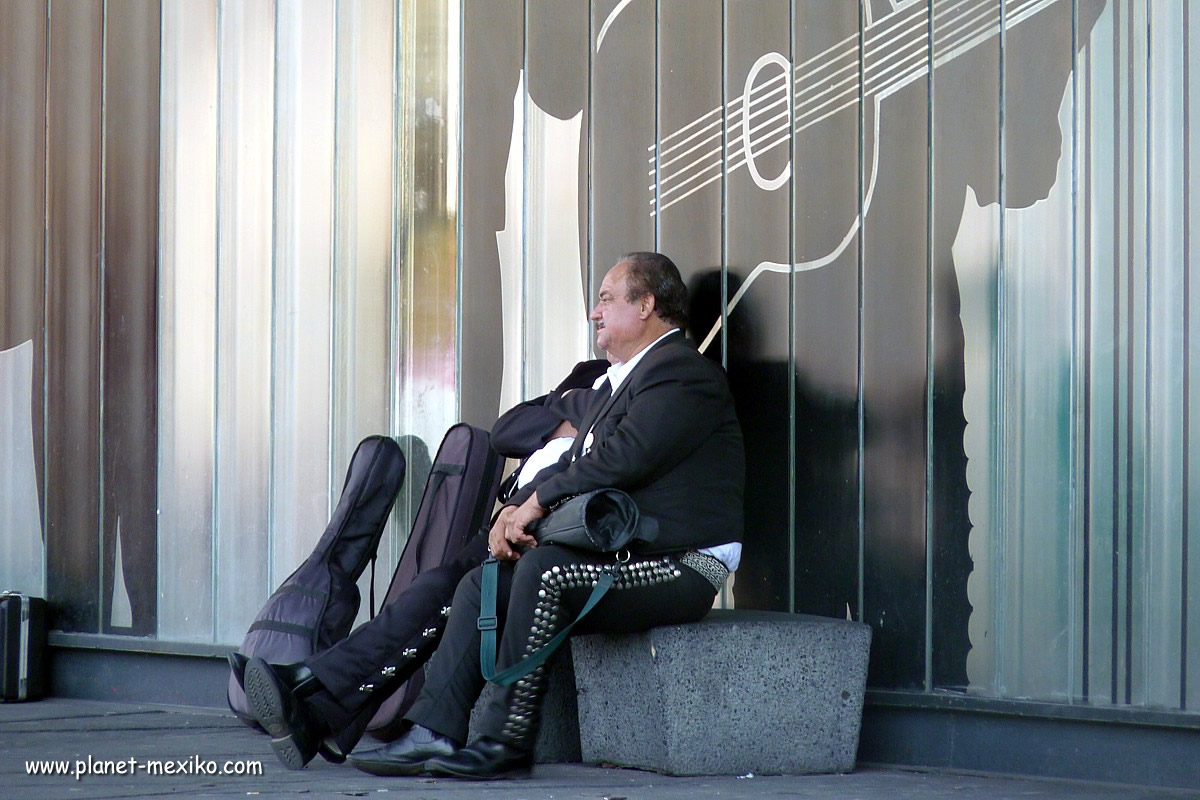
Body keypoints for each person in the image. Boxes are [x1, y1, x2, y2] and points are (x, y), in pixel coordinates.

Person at [244, 251, 745, 779]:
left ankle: (503, 743)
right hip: (620, 549)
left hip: (681, 564)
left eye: (605, 299)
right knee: (480, 582)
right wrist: (518, 509)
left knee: (543, 570)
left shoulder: (683, 374)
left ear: (646, 305)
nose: (594, 312)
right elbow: (546, 440)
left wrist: (531, 504)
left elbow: (622, 459)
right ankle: (432, 731)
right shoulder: (620, 381)